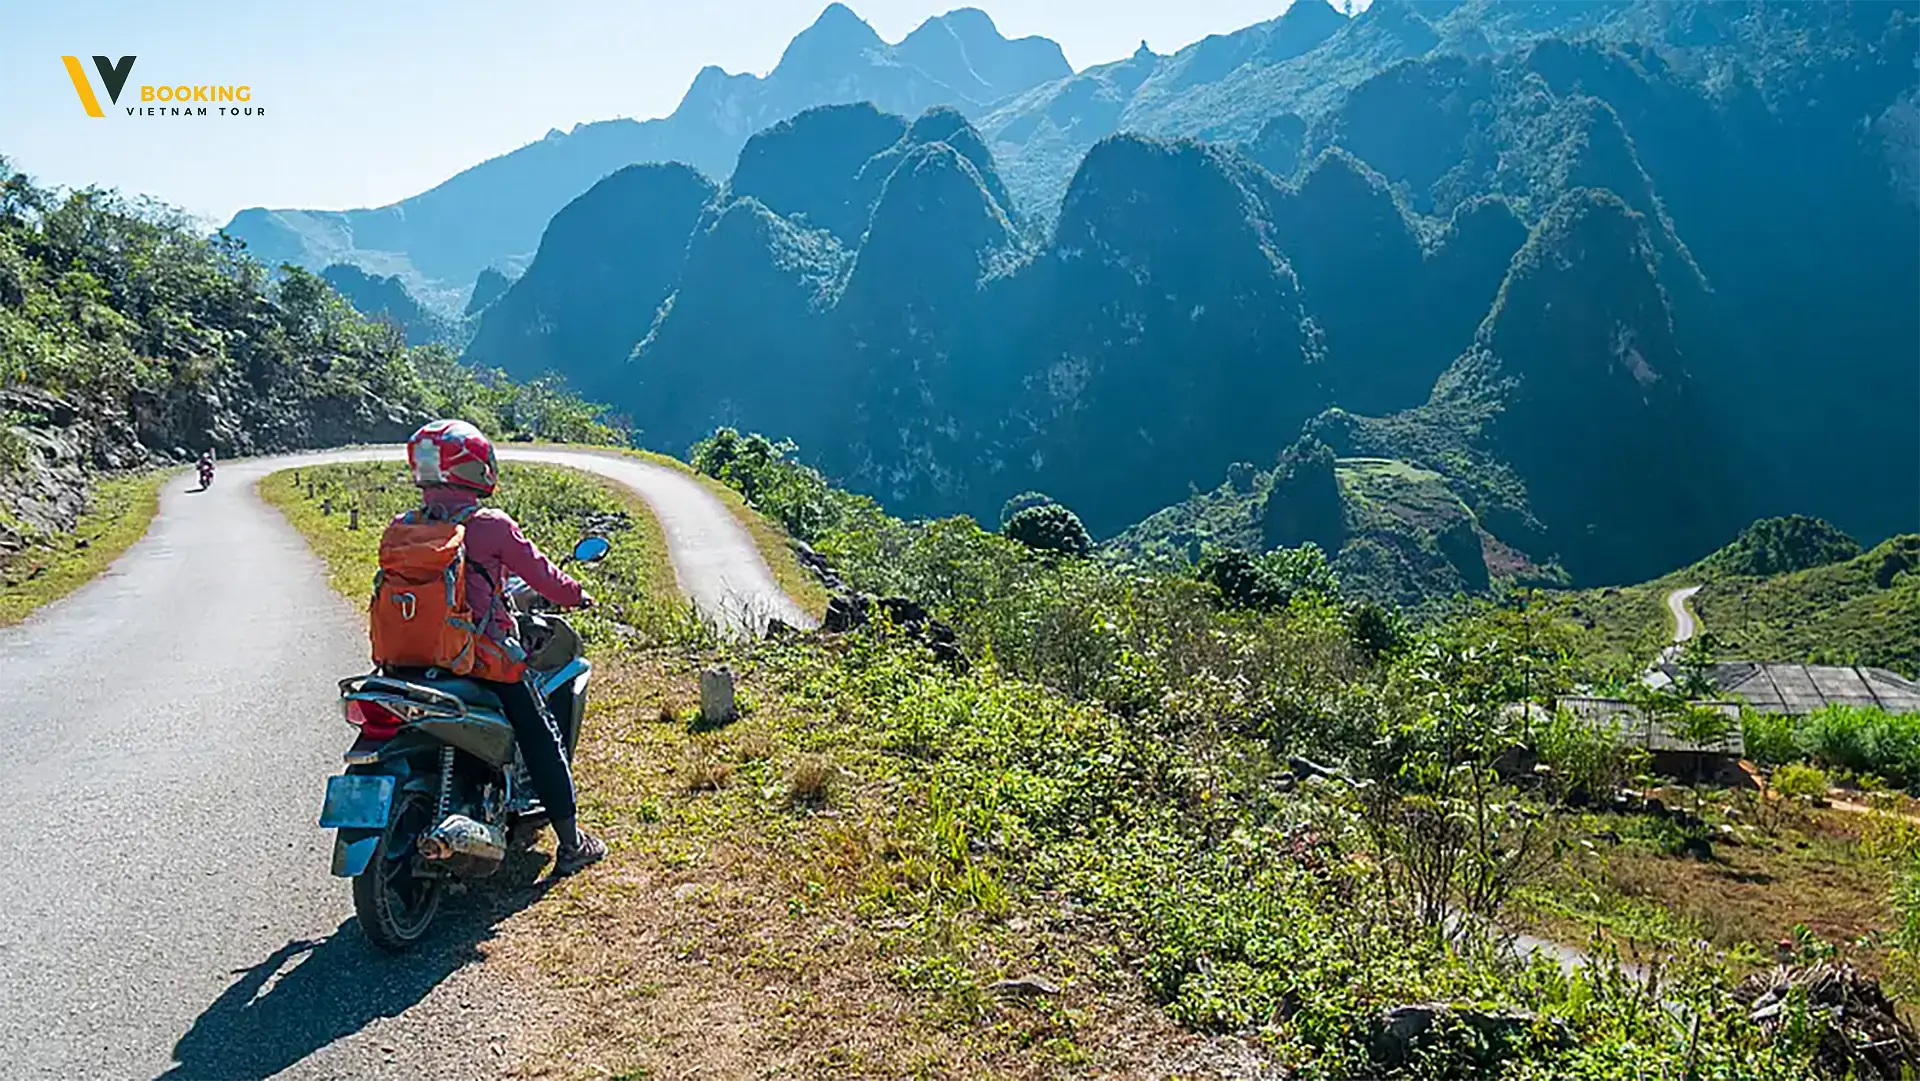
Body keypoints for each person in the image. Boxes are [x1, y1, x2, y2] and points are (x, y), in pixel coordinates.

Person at [401, 419, 607, 876]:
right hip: (480, 659)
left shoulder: (407, 525)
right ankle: (572, 845)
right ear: (476, 468)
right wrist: (577, 595)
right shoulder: (490, 525)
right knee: (542, 737)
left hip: (412, 659)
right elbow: (544, 578)